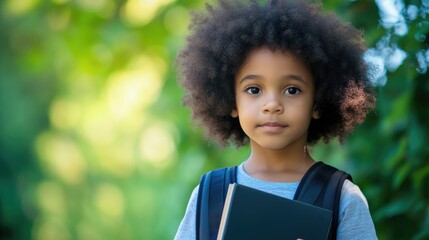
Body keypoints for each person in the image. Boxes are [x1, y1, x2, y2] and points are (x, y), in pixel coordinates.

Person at [174, 0, 377, 239]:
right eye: (253, 90)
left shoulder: (342, 198)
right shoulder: (208, 196)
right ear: (231, 101)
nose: (272, 105)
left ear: (318, 101)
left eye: (292, 90)